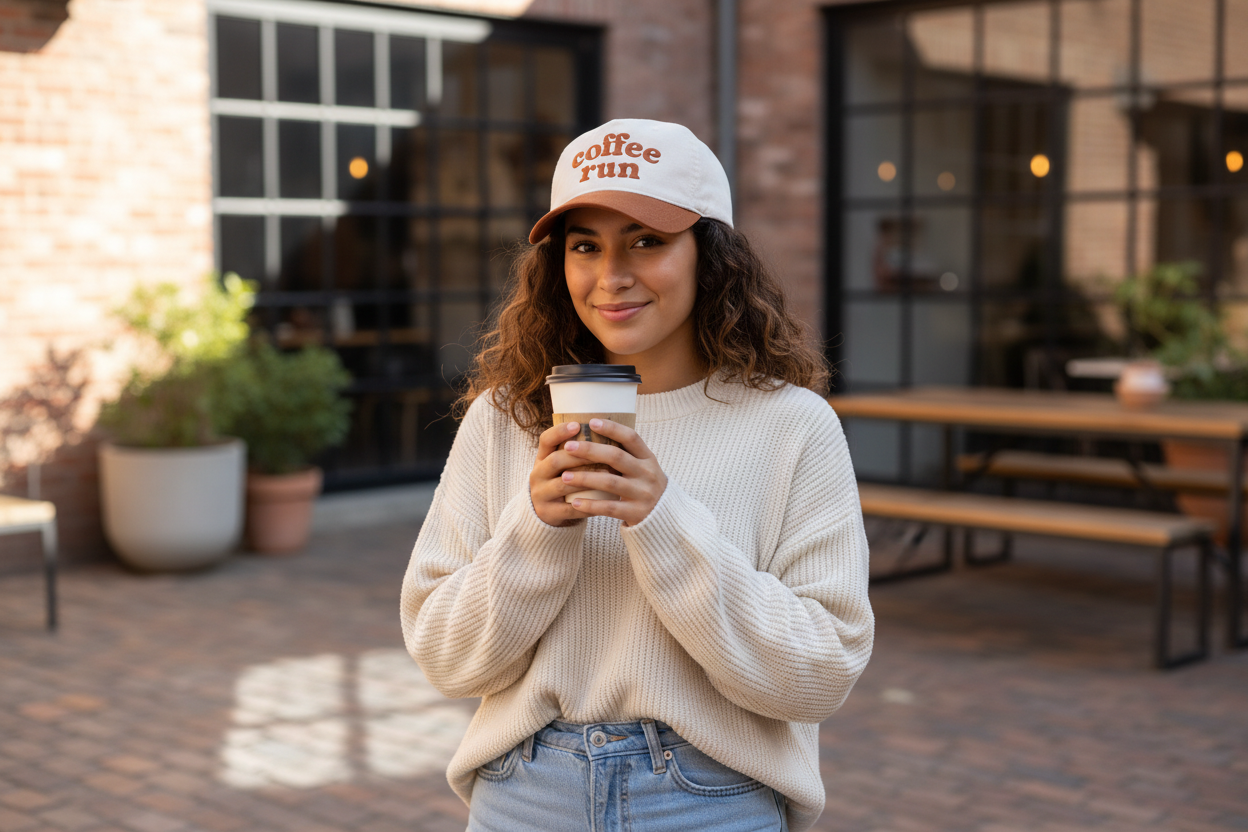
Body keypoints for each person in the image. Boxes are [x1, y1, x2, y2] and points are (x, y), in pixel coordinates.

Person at [401, 118, 873, 832]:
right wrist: (536, 530)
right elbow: (444, 657)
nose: (610, 276)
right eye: (585, 246)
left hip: (712, 795)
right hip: (526, 793)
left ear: (710, 255)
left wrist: (664, 522)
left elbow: (822, 671)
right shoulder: (507, 419)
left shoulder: (792, 426)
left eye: (646, 241)